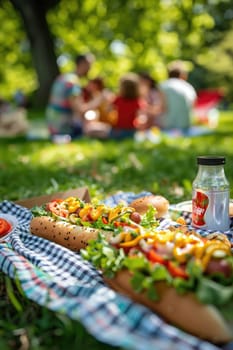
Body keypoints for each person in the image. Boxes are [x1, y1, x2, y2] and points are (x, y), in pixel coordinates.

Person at [46, 53, 102, 139]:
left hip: (53, 127)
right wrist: (97, 101)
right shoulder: (73, 82)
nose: (90, 69)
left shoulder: (62, 78)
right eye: (89, 65)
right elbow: (79, 110)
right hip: (64, 129)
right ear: (83, 64)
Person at [158, 61, 197, 134]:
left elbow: (163, 107)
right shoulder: (188, 87)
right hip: (186, 124)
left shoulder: (163, 85)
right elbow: (193, 106)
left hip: (168, 125)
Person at [110, 72, 144, 139]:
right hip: (131, 130)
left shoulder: (118, 99)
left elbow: (109, 109)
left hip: (118, 130)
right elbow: (140, 116)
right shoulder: (137, 101)